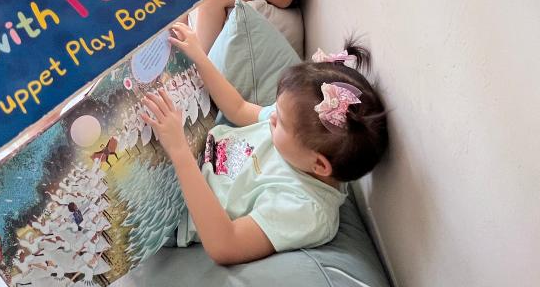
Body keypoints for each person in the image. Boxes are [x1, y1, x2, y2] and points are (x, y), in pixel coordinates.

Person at [141, 23, 388, 265]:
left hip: (173, 212)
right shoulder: (299, 139)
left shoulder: (306, 208)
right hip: (186, 151)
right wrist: (199, 57)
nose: (271, 117)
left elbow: (225, 245)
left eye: (281, 121)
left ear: (320, 165)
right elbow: (239, 108)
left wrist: (178, 150)